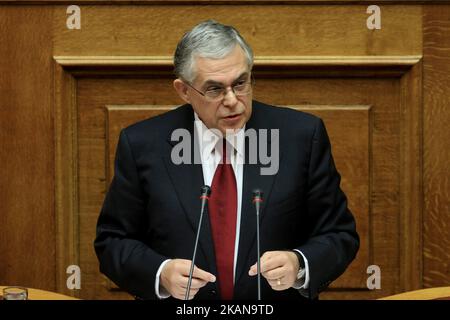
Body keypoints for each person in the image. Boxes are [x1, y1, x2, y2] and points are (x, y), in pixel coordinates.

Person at [94, 20, 359, 300]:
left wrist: (299, 264)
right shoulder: (142, 144)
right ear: (184, 91)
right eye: (214, 89)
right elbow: (112, 241)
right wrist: (160, 272)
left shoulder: (301, 137)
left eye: (241, 83)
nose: (232, 100)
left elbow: (339, 234)